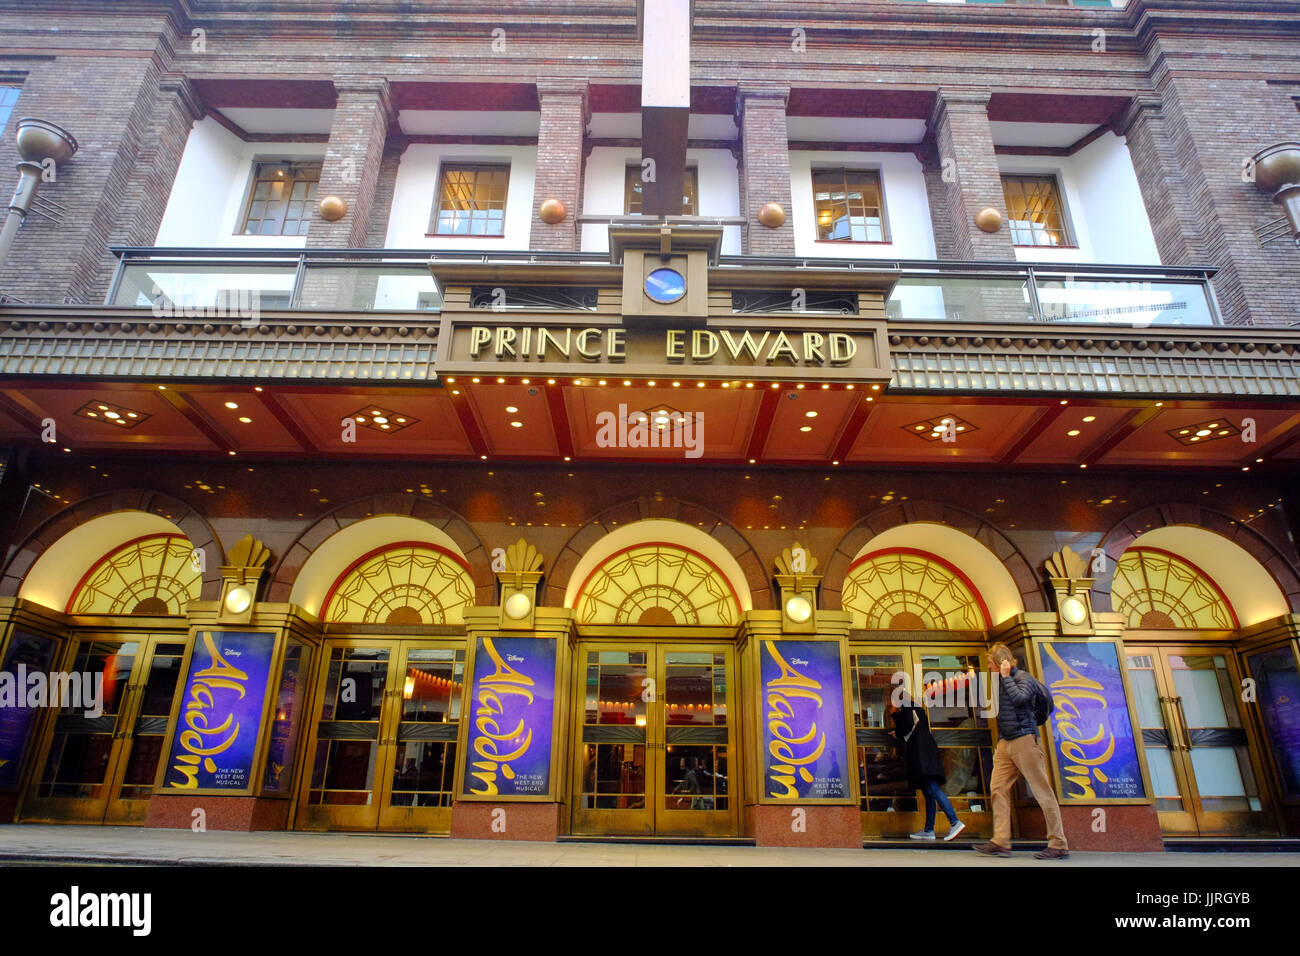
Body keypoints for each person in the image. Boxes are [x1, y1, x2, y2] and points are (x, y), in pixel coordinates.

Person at [973, 643, 1069, 860]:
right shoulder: (1000, 681)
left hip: (1025, 740)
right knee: (997, 788)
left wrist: (1006, 677)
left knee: (1042, 790)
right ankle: (1000, 840)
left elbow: (1021, 700)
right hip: (1006, 742)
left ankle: (1059, 843)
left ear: (1001, 662)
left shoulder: (1023, 678)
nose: (988, 667)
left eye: (990, 663)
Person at [891, 694, 965, 842]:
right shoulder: (918, 709)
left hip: (921, 756)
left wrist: (894, 720)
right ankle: (928, 829)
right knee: (929, 792)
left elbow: (905, 727)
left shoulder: (907, 708)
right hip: (927, 754)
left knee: (932, 788)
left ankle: (954, 821)